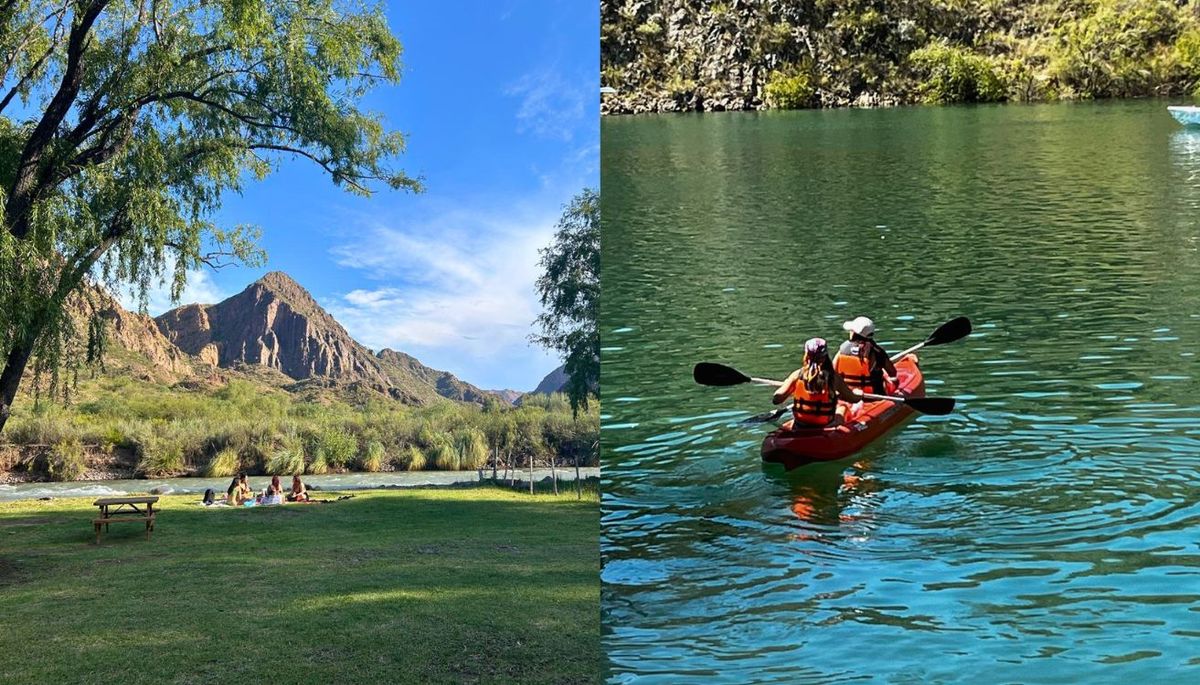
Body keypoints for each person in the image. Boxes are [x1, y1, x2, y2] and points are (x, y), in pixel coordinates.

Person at [772, 338, 861, 428]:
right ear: (825, 356)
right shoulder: (833, 378)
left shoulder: (797, 375)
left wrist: (788, 385)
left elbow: (776, 400)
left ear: (806, 355)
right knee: (843, 407)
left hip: (800, 424)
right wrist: (859, 394)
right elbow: (853, 399)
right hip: (825, 425)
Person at [833, 316, 899, 395]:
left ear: (854, 333)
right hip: (873, 396)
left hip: (847, 394)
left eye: (851, 330)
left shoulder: (843, 349)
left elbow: (833, 369)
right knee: (894, 380)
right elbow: (893, 373)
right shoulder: (877, 351)